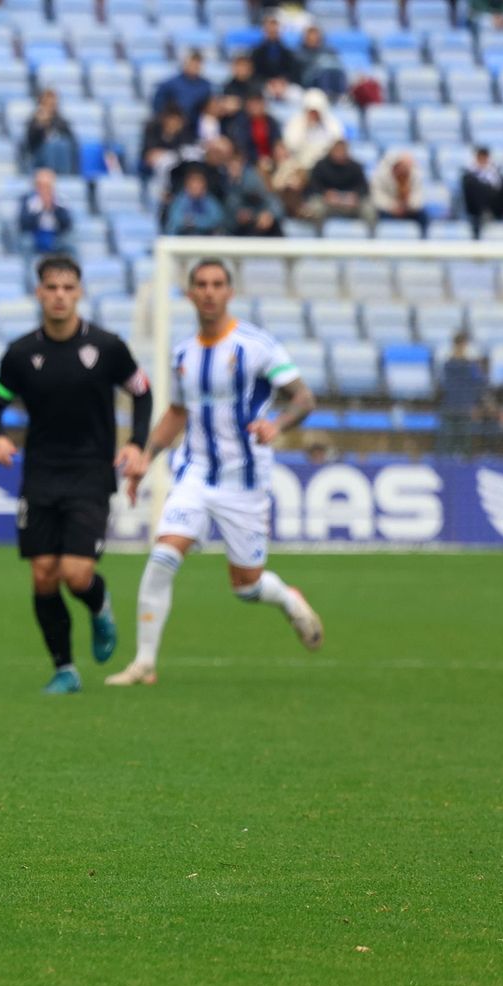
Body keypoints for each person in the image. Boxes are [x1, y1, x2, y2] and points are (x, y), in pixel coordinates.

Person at [107, 259, 322, 687]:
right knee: (162, 557)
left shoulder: (257, 345)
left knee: (246, 586)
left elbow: (303, 397)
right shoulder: (184, 353)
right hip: (195, 476)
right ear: (189, 295)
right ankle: (144, 663)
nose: (208, 292)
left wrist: (276, 425)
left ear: (229, 292)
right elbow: (177, 413)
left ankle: (286, 597)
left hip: (244, 483)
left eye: (217, 284)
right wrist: (146, 459)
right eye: (201, 285)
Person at [0, 256, 152, 694]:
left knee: (76, 575)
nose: (59, 295)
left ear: (79, 293)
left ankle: (99, 605)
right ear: (39, 293)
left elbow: (142, 392)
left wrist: (136, 444)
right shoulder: (21, 354)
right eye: (51, 288)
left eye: (67, 288)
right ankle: (65, 669)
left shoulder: (108, 347)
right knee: (43, 575)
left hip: (91, 474)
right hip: (40, 476)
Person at [305, 138, 372, 226]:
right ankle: (317, 237)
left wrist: (355, 196)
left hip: (351, 203)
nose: (340, 154)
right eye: (337, 151)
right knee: (316, 208)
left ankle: (371, 238)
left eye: (342, 151)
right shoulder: (321, 166)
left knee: (369, 209)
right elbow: (313, 186)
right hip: (326, 202)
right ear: (331, 151)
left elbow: (364, 187)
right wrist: (325, 194)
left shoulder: (355, 167)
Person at [17, 168, 74, 257]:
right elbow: (23, 225)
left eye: (47, 186)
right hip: (35, 235)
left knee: (69, 244)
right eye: (41, 186)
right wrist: (39, 209)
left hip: (55, 235)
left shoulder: (61, 200)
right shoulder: (27, 200)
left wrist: (54, 208)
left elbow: (67, 224)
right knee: (26, 243)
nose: (44, 190)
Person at [371, 150, 428, 234]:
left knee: (423, 215)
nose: (404, 169)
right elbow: (377, 196)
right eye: (402, 166)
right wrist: (393, 206)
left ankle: (423, 241)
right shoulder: (381, 176)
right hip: (388, 210)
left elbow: (419, 196)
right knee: (377, 215)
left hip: (409, 209)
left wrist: (408, 206)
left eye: (407, 167)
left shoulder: (415, 176)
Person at [24, 88, 77, 176]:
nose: (50, 106)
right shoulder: (34, 120)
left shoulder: (60, 120)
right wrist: (41, 125)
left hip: (59, 154)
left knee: (63, 144)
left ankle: (64, 176)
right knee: (50, 146)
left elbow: (71, 138)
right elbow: (30, 143)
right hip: (39, 156)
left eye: (52, 103)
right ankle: (50, 175)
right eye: (47, 103)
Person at [152, 51, 212, 128]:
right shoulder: (170, 84)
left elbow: (209, 108)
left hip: (196, 126)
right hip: (174, 126)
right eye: (192, 64)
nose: (194, 67)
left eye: (197, 64)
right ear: (185, 64)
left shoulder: (205, 86)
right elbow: (158, 104)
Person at [164, 167, 226, 235]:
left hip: (205, 237)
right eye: (193, 186)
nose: (196, 188)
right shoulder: (180, 199)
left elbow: (217, 219)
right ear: (187, 186)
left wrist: (195, 221)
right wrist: (187, 221)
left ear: (204, 186)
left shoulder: (209, 200)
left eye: (198, 185)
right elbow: (175, 218)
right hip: (183, 237)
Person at [463, 146, 503, 237]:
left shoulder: (495, 170)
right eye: (480, 157)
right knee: (473, 183)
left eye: (484, 157)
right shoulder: (469, 173)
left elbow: (499, 187)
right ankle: (483, 212)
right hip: (477, 207)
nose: (483, 160)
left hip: (495, 201)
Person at [249, 15, 296, 97]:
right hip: (264, 84)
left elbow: (292, 71)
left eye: (275, 31)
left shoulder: (287, 52)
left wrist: (283, 81)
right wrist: (269, 82)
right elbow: (254, 72)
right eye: (269, 30)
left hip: (284, 85)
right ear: (264, 31)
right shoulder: (256, 52)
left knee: (295, 94)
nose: (272, 32)